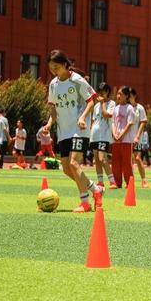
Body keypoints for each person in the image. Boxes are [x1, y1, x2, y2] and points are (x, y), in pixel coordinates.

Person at [43, 50, 104, 213]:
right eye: (51, 68)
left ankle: (85, 202)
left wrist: (83, 117)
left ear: (64, 64)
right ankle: (96, 189)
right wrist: (49, 123)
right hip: (64, 131)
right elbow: (53, 108)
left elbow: (91, 101)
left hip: (79, 129)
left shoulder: (77, 80)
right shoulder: (53, 85)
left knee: (74, 163)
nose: (53, 70)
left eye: (56, 67)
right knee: (66, 169)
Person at [90, 82, 115, 188]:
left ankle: (112, 181)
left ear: (107, 92)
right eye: (99, 92)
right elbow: (94, 120)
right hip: (94, 135)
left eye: (103, 92)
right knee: (96, 159)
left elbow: (106, 115)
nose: (100, 94)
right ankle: (100, 181)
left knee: (102, 158)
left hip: (104, 136)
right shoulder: (96, 106)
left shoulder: (111, 104)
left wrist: (103, 103)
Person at [111, 86, 136, 189]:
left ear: (126, 96)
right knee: (115, 162)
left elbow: (130, 123)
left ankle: (129, 183)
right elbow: (112, 122)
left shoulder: (130, 108)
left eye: (121, 94)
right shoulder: (116, 108)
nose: (118, 96)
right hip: (116, 140)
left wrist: (121, 135)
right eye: (118, 94)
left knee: (126, 163)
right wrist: (114, 134)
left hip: (126, 140)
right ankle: (117, 183)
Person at [129, 88, 150, 188]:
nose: (129, 97)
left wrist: (137, 136)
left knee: (137, 158)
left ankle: (144, 180)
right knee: (129, 160)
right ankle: (130, 181)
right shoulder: (125, 107)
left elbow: (143, 122)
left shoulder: (139, 108)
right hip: (126, 138)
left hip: (136, 137)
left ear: (134, 96)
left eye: (130, 95)